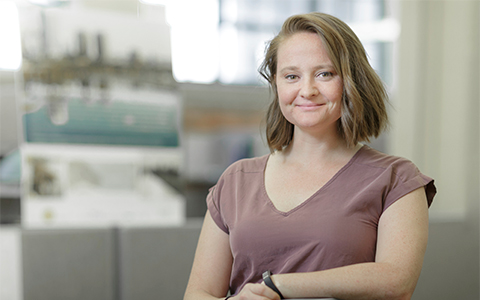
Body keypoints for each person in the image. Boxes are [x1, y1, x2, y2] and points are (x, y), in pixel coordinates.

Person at [184, 12, 436, 300]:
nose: (307, 90)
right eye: (291, 76)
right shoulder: (236, 181)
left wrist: (278, 286)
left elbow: (396, 282)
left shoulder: (395, 179)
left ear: (352, 81)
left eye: (324, 74)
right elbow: (198, 294)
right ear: (276, 83)